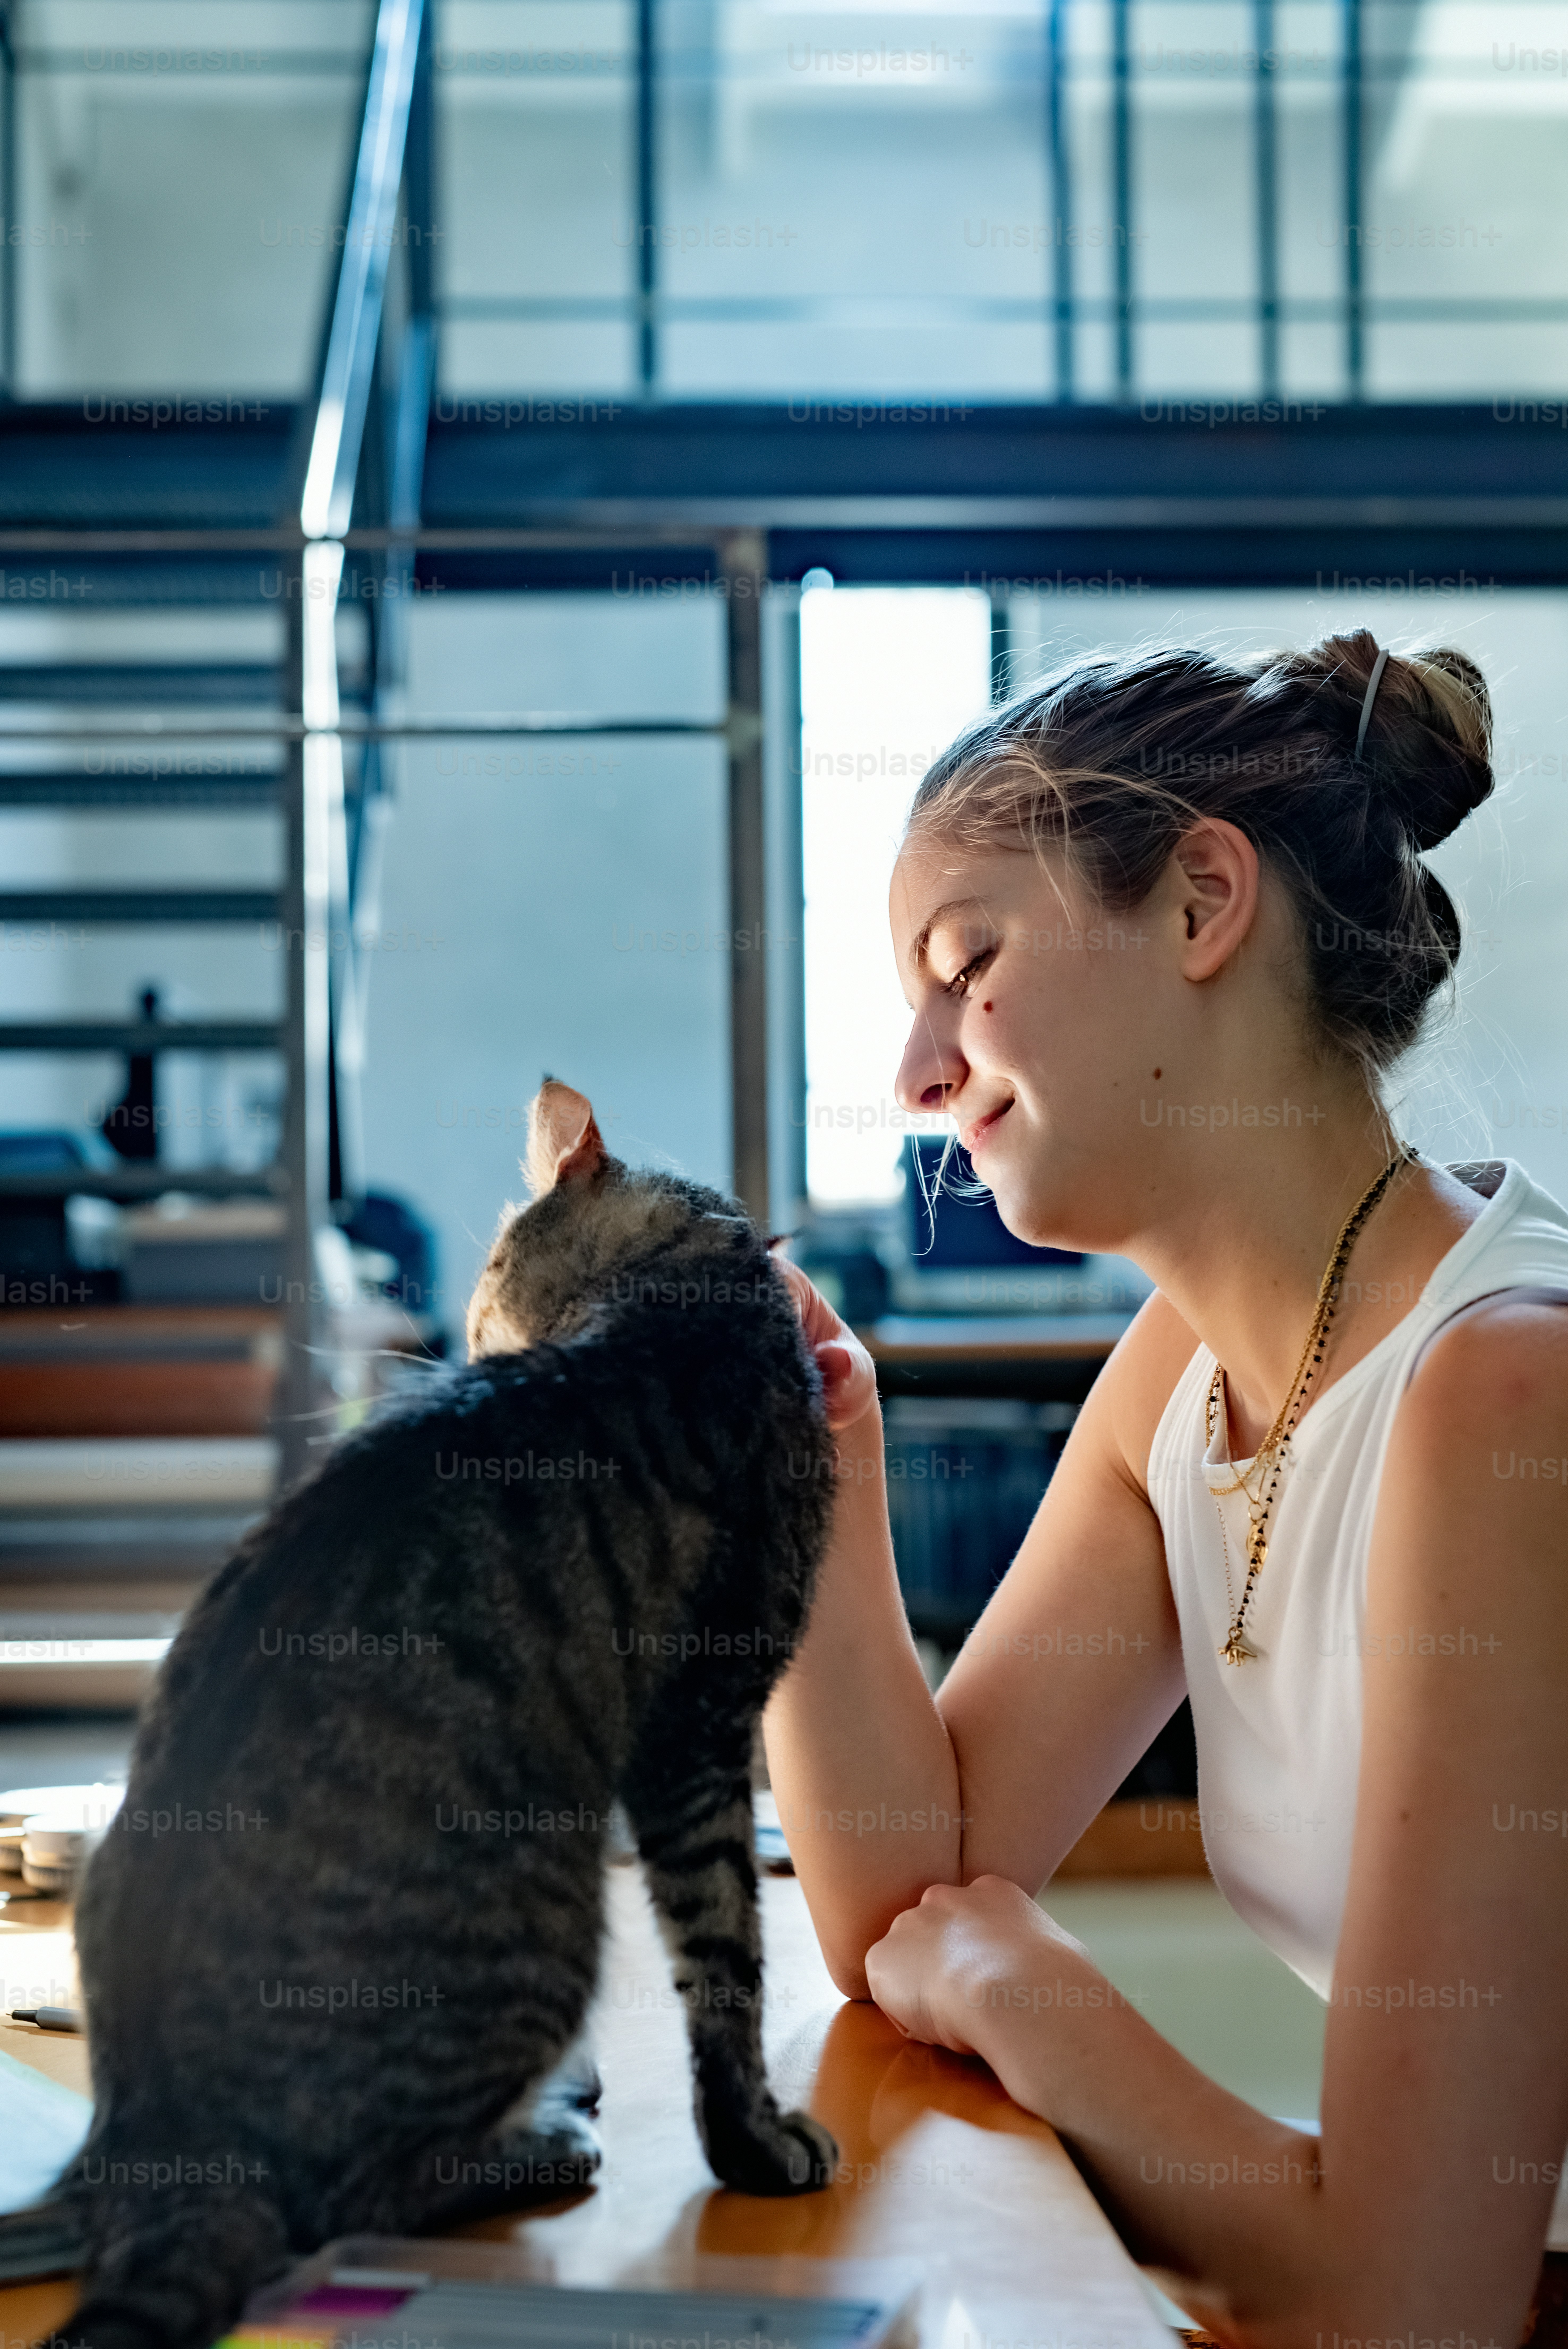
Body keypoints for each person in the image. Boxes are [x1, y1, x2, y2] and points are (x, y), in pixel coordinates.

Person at [767, 628, 1568, 2349]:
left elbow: (1414, 2300)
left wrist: (1028, 1991)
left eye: (963, 964)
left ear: (1203, 903)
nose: (916, 1074)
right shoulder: (1179, 1380)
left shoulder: (1508, 1387)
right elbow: (908, 1891)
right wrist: (810, 1457)